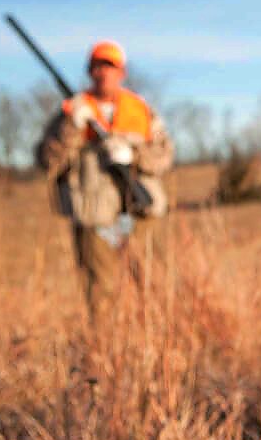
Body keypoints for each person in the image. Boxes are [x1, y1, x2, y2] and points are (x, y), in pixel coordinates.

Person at [35, 40, 174, 319]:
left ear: (121, 72)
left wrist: (132, 155)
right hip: (93, 214)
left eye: (109, 67)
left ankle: (154, 342)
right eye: (97, 67)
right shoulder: (72, 111)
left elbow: (164, 155)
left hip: (140, 212)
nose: (103, 73)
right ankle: (104, 351)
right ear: (89, 71)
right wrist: (72, 127)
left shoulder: (140, 110)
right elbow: (46, 161)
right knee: (100, 291)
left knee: (152, 282)